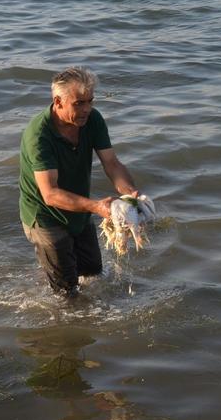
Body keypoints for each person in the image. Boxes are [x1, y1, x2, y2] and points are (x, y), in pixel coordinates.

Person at [18, 66, 141, 298]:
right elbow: (50, 194)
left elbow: (112, 164)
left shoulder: (93, 120)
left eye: (90, 101)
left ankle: (49, 271)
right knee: (66, 292)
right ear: (58, 101)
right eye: (79, 103)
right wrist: (97, 207)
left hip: (78, 207)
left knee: (93, 272)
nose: (87, 109)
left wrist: (131, 196)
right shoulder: (39, 135)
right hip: (44, 214)